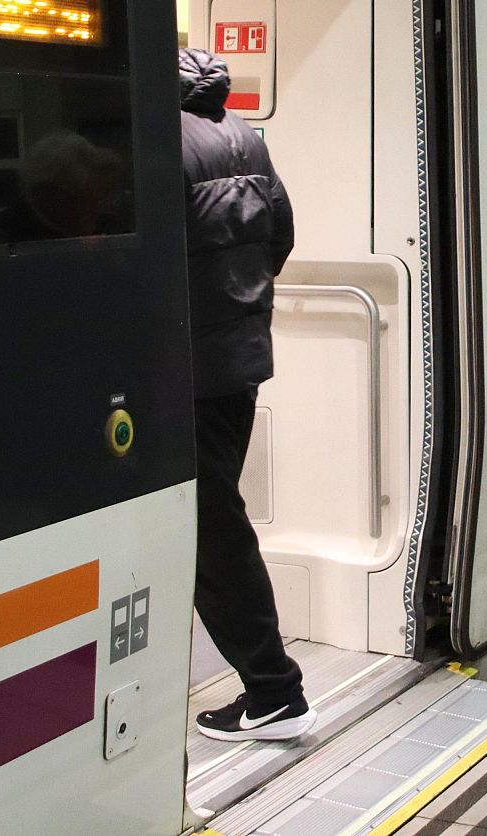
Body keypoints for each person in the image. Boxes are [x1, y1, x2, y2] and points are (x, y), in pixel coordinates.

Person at [178, 47, 312, 741]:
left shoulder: (154, 138)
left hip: (185, 369)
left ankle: (273, 692)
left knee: (210, 534)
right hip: (237, 359)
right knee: (211, 523)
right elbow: (279, 235)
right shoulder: (243, 135)